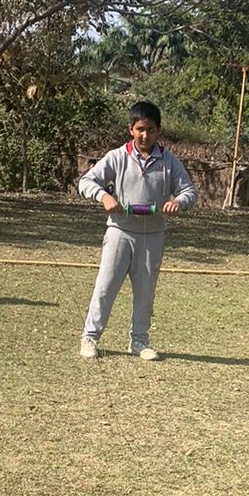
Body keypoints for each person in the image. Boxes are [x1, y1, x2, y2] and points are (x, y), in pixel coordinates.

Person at [77, 102, 197, 361]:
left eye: (151, 130)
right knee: (105, 287)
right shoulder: (117, 157)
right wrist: (103, 197)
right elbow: (86, 181)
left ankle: (139, 341)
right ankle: (90, 337)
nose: (145, 135)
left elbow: (189, 191)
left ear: (158, 130)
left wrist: (179, 202)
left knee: (145, 293)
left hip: (153, 237)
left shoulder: (168, 161)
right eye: (140, 129)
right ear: (131, 129)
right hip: (119, 232)